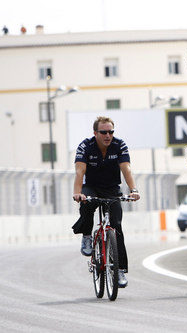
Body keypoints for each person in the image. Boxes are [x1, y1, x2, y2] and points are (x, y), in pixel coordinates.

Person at [72, 116, 140, 288]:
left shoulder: (119, 145)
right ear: (95, 133)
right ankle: (87, 235)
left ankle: (120, 270)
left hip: (111, 189)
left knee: (116, 227)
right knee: (86, 203)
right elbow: (80, 171)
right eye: (103, 132)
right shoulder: (85, 146)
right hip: (92, 187)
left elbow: (126, 169)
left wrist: (133, 190)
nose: (107, 135)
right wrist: (77, 193)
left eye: (110, 132)